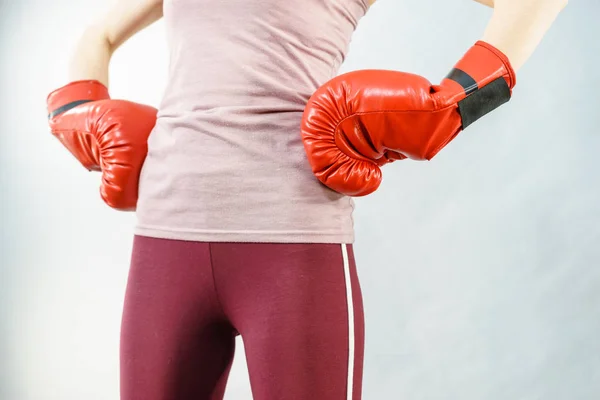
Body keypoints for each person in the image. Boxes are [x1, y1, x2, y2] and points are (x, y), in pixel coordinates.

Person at [46, 0, 567, 398]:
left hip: (291, 245)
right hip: (163, 238)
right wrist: (76, 115)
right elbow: (101, 33)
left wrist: (453, 104)